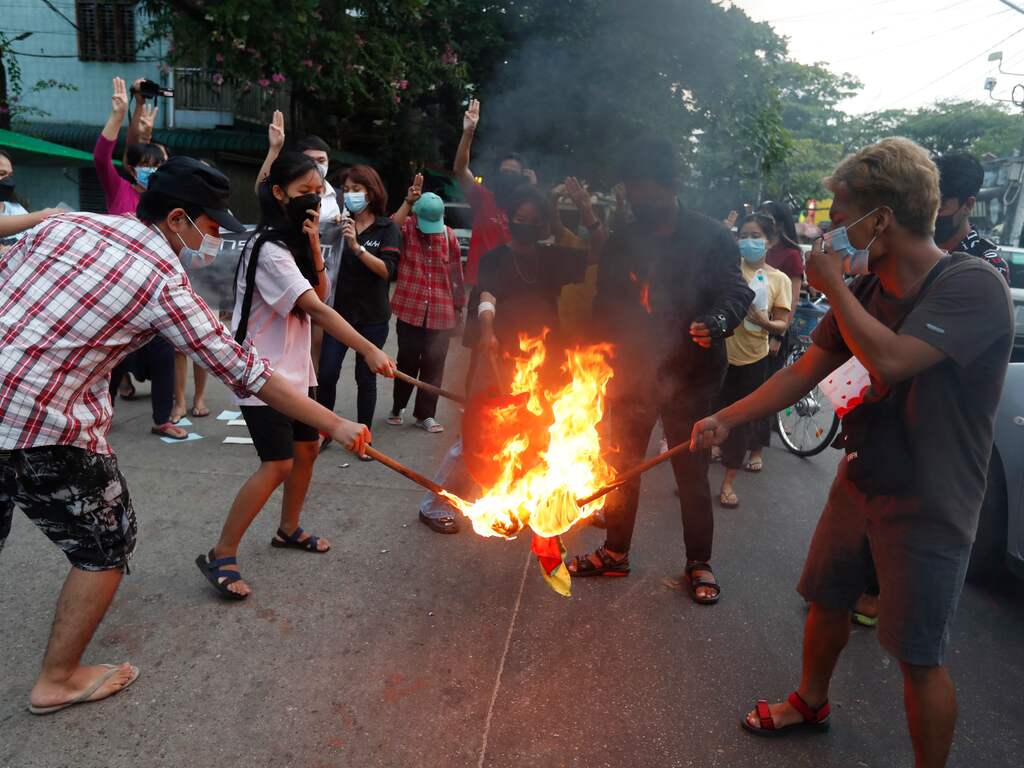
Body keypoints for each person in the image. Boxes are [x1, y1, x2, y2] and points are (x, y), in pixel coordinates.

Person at [0, 156, 372, 714]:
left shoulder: (68, 223)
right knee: (106, 542)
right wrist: (336, 423)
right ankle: (58, 678)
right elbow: (243, 369)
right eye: (213, 224)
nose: (217, 237)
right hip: (42, 422)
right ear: (178, 219)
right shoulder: (162, 283)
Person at [691, 138, 1013, 766]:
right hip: (864, 474)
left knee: (918, 655)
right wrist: (723, 418)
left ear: (880, 221)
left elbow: (891, 361)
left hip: (931, 499)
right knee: (827, 595)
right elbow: (804, 371)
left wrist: (832, 283)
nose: (831, 232)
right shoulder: (867, 290)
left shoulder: (971, 285)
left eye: (840, 218)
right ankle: (811, 701)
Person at [566, 136, 753, 606]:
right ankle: (615, 552)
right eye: (631, 192)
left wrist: (717, 322)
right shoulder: (625, 240)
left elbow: (737, 294)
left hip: (691, 377)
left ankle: (698, 561)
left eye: (644, 191)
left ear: (670, 187)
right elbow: (604, 307)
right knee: (622, 468)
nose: (637, 201)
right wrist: (584, 363)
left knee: (690, 473)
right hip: (631, 375)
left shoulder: (711, 236)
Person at [198, 152, 395, 599]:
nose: (312, 200)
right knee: (278, 462)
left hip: (294, 370)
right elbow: (317, 308)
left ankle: (288, 528)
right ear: (278, 192)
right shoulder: (267, 248)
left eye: (316, 192)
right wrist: (367, 348)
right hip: (262, 374)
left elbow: (319, 290)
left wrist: (310, 246)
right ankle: (221, 552)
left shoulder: (288, 244)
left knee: (306, 449)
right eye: (304, 191)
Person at [416, 184, 600, 534]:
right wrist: (487, 331)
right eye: (519, 218)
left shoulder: (551, 258)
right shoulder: (495, 258)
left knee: (537, 435)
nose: (525, 224)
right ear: (509, 220)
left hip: (544, 364)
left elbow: (597, 253)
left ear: (543, 224)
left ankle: (522, 500)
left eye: (533, 220)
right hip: (497, 361)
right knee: (473, 438)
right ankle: (433, 503)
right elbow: (487, 296)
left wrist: (587, 213)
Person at [316, 164, 401, 448]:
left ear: (371, 192)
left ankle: (363, 439)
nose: (351, 195)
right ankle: (325, 431)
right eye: (347, 190)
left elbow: (387, 271)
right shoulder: (337, 226)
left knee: (366, 378)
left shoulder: (387, 228)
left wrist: (357, 247)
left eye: (357, 190)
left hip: (373, 317)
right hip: (339, 314)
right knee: (326, 373)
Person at [715, 214, 792, 509]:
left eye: (755, 235)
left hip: (753, 361)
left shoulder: (779, 280)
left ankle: (728, 483)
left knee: (740, 422)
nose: (748, 241)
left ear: (770, 241)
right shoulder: (729, 271)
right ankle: (693, 478)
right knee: (707, 414)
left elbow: (783, 323)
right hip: (719, 356)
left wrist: (764, 322)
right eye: (743, 234)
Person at [388, 185, 465, 433]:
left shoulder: (448, 235)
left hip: (442, 312)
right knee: (406, 361)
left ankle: (425, 414)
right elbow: (391, 226)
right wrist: (407, 201)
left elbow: (456, 274)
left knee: (434, 364)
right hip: (410, 308)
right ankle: (397, 407)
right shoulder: (407, 228)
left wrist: (459, 306)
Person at [254, 110, 342, 225]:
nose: (315, 165)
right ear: (278, 193)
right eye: (304, 191)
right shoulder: (285, 191)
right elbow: (263, 188)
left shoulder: (340, 197)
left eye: (321, 160)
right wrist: (275, 149)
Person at [933, 152, 1009, 282]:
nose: (932, 213)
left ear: (968, 205)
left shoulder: (987, 266)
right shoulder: (913, 248)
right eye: (927, 204)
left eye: (941, 206)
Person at [758, 200, 804, 356]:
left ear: (780, 223)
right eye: (759, 216)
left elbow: (793, 299)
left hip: (773, 329)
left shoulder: (791, 254)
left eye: (767, 218)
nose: (761, 221)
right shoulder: (757, 248)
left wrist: (778, 337)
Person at [0, 149, 62, 245]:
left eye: (10, 175)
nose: (7, 180)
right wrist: (44, 215)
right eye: (1, 174)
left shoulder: (16, 206)